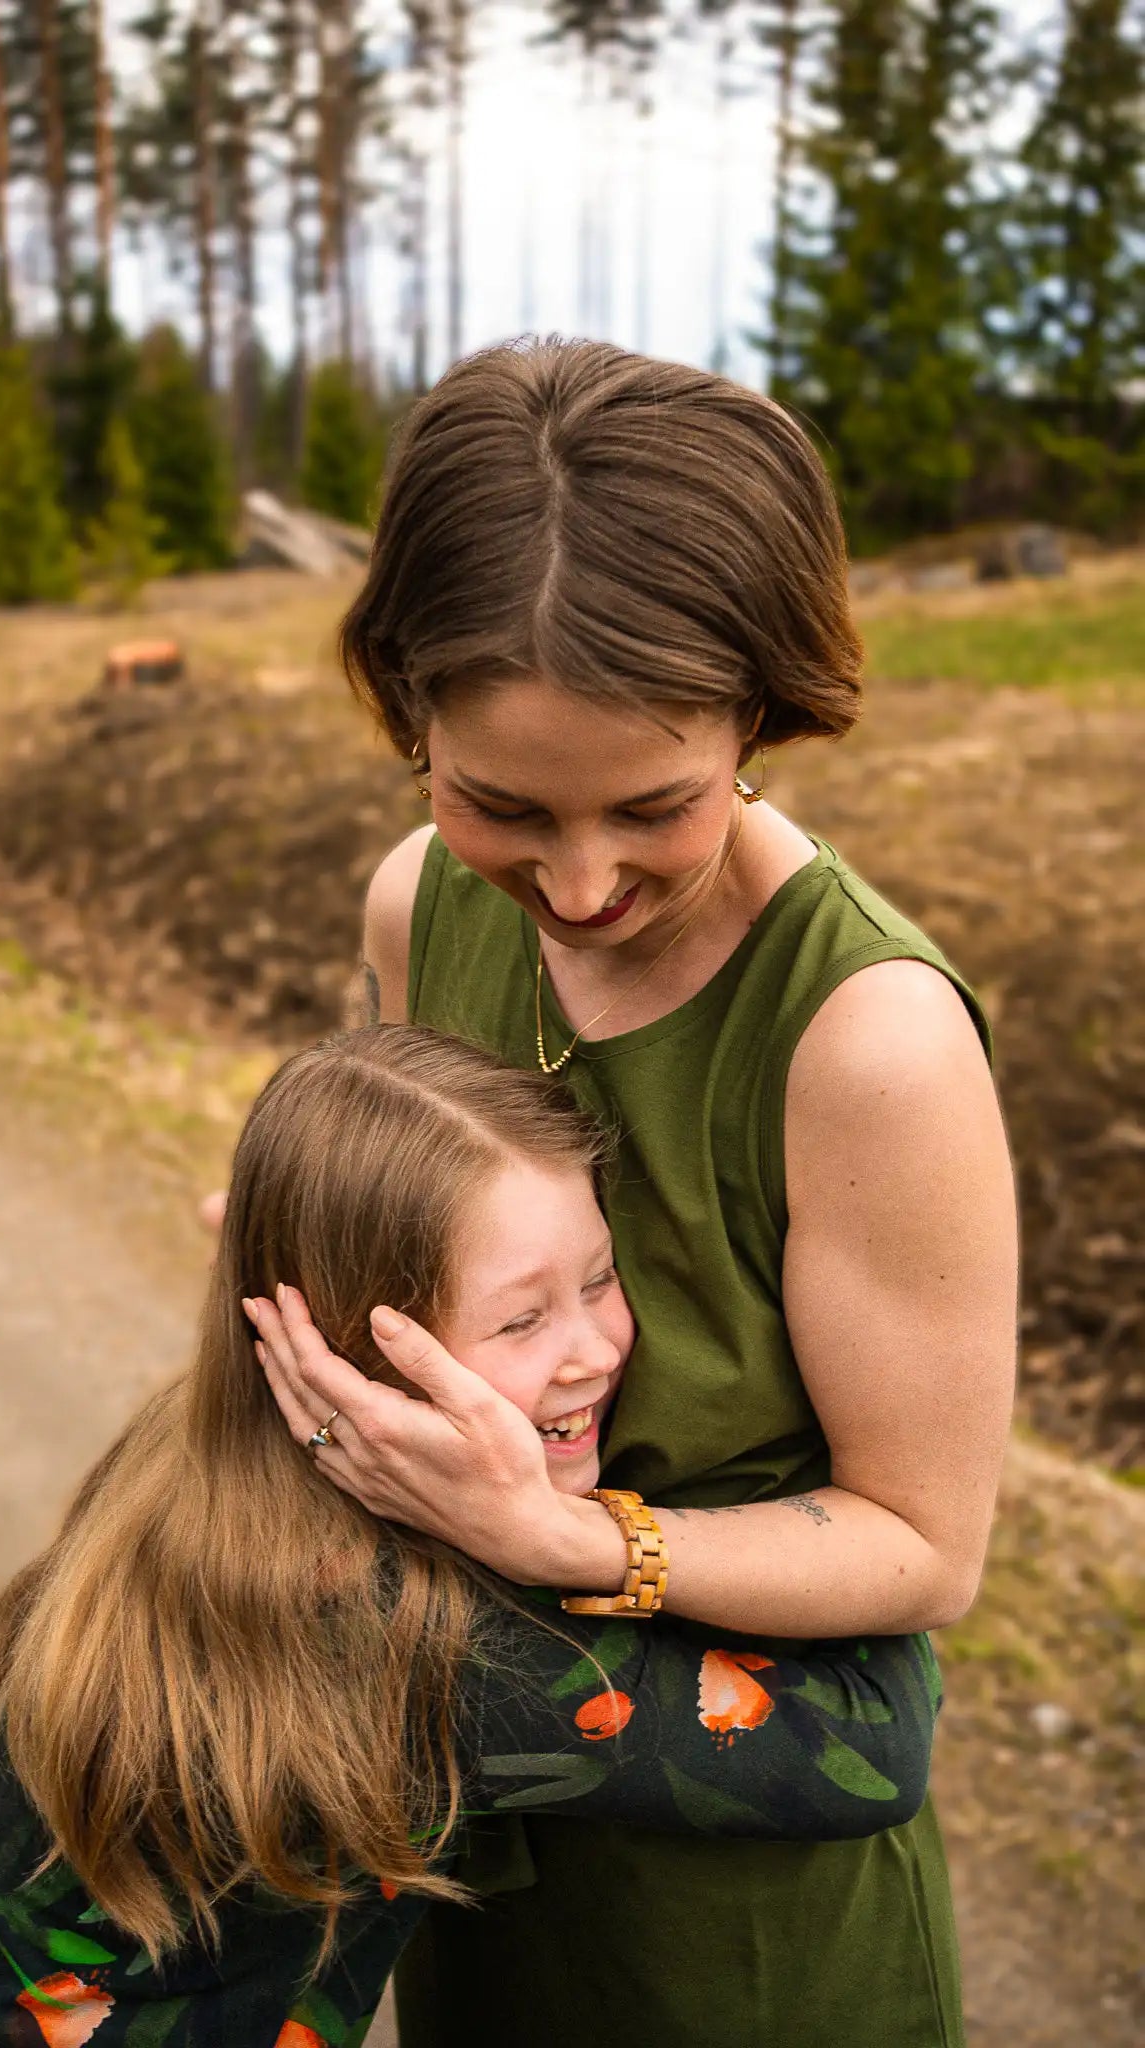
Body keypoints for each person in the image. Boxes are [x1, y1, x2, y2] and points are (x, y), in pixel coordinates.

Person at [245, 338, 1019, 2048]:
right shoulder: (413, 906)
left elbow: (922, 1544)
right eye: (500, 803)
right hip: (463, 1853)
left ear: (762, 708)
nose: (579, 885)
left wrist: (559, 1537)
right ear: (406, 705)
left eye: (658, 805)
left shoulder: (868, 1041)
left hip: (749, 1922)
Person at [0, 1029, 944, 2048]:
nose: (594, 1348)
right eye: (521, 1318)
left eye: (601, 1278)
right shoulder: (412, 1635)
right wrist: (574, 1537)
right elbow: (873, 1745)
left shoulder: (193, 1457)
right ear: (349, 1354)